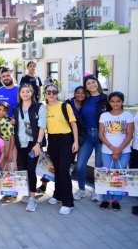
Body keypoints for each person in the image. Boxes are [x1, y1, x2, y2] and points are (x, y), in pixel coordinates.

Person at [44, 84, 79, 215]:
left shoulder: (65, 106)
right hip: (52, 140)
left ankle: (68, 202)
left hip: (66, 140)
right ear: (45, 93)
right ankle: (57, 195)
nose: (51, 94)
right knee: (57, 170)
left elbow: (73, 124)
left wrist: (75, 141)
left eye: (54, 91)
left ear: (57, 93)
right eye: (48, 92)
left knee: (64, 171)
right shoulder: (44, 108)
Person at [74, 75, 110, 201]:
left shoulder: (105, 98)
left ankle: (98, 191)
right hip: (87, 135)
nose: (91, 85)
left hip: (102, 136)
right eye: (88, 83)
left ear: (97, 83)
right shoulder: (85, 99)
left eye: (93, 82)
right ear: (86, 87)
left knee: (99, 166)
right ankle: (82, 189)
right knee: (80, 165)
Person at [98, 91, 134, 211]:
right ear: (109, 102)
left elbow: (129, 135)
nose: (115, 103)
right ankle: (106, 198)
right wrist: (113, 149)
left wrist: (119, 150)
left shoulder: (128, 116)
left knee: (119, 174)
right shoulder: (104, 116)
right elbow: (101, 134)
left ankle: (116, 200)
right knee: (107, 173)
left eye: (118, 101)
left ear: (122, 102)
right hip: (107, 150)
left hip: (124, 151)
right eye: (113, 101)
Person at [13, 84, 47, 212]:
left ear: (32, 93)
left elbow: (42, 127)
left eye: (28, 91)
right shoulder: (16, 108)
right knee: (25, 169)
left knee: (31, 169)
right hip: (20, 143)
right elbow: (17, 125)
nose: (25, 94)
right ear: (20, 93)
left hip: (33, 144)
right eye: (23, 91)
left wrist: (38, 144)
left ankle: (33, 198)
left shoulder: (39, 107)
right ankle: (28, 192)